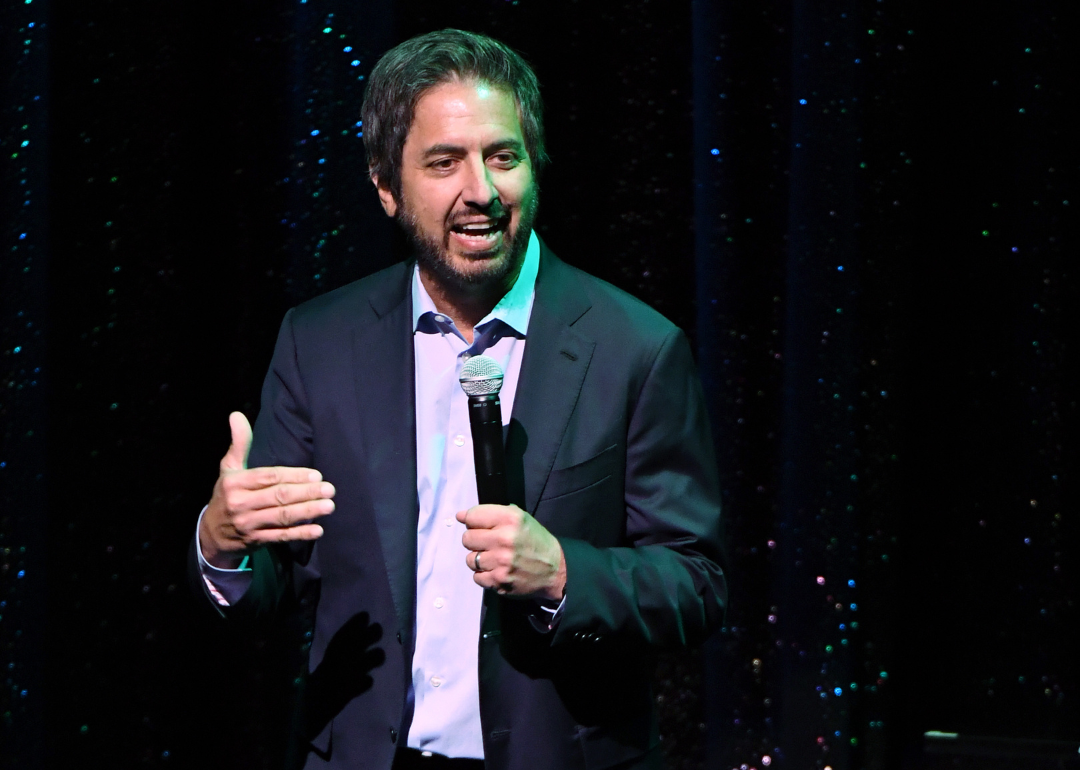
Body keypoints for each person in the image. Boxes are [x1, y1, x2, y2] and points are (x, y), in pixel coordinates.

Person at [191, 28, 726, 770]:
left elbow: (696, 585)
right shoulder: (319, 342)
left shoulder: (635, 347)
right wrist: (222, 547)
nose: (480, 190)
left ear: (534, 167)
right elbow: (276, 586)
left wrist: (566, 573)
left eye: (502, 156)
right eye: (444, 163)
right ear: (386, 186)